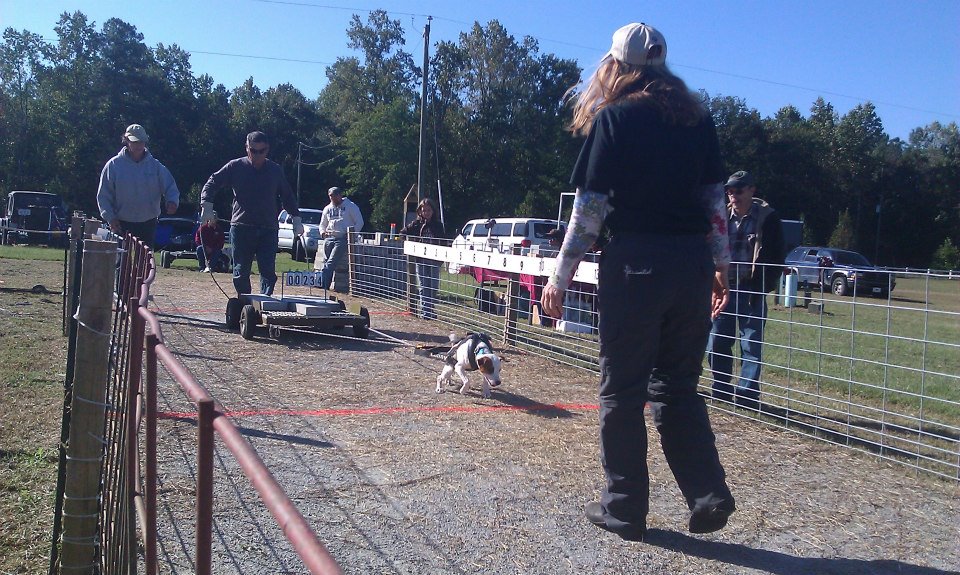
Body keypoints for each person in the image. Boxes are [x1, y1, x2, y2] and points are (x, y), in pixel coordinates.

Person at [540, 22, 735, 541]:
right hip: (690, 263)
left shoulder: (616, 119)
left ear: (616, 66)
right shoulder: (699, 121)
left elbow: (590, 211)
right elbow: (715, 203)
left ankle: (624, 509)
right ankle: (708, 494)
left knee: (622, 391)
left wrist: (559, 276)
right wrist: (720, 264)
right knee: (677, 387)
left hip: (636, 265)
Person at [707, 170, 785, 410]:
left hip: (752, 290)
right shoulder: (720, 217)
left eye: (738, 190)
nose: (733, 195)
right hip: (723, 289)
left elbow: (776, 257)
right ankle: (720, 390)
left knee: (751, 344)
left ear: (752, 190)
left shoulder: (768, 219)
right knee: (717, 340)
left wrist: (763, 286)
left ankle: (747, 397)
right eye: (729, 191)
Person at [200, 131, 301, 296]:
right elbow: (212, 182)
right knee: (240, 271)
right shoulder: (235, 166)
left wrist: (296, 218)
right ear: (247, 148)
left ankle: (263, 303)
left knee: (268, 271)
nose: (257, 155)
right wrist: (207, 205)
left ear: (267, 150)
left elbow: (287, 196)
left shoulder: (275, 170)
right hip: (242, 227)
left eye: (262, 151)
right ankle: (245, 302)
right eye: (253, 150)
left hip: (268, 228)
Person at [97, 124, 180, 247]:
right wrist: (110, 218)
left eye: (142, 142)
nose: (139, 145)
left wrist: (172, 201)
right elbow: (104, 195)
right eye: (135, 142)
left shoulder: (155, 166)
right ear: (127, 141)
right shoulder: (113, 165)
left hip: (148, 223)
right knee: (122, 261)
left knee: (145, 263)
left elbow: (170, 187)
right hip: (121, 222)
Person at [399, 198, 445, 319]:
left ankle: (430, 309)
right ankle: (426, 313)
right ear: (420, 211)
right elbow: (403, 233)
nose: (426, 213)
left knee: (433, 286)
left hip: (434, 259)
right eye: (424, 210)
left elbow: (443, 241)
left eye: (429, 210)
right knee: (423, 286)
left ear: (433, 211)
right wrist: (412, 245)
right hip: (420, 259)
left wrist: (441, 258)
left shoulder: (438, 225)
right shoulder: (416, 224)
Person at [316, 186, 364, 290]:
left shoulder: (351, 206)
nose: (333, 199)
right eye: (331, 197)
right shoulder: (327, 208)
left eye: (334, 197)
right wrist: (322, 232)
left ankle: (322, 283)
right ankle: (326, 284)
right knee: (326, 260)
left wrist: (351, 234)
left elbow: (359, 222)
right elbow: (322, 224)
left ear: (340, 195)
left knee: (331, 261)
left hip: (342, 238)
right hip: (329, 238)